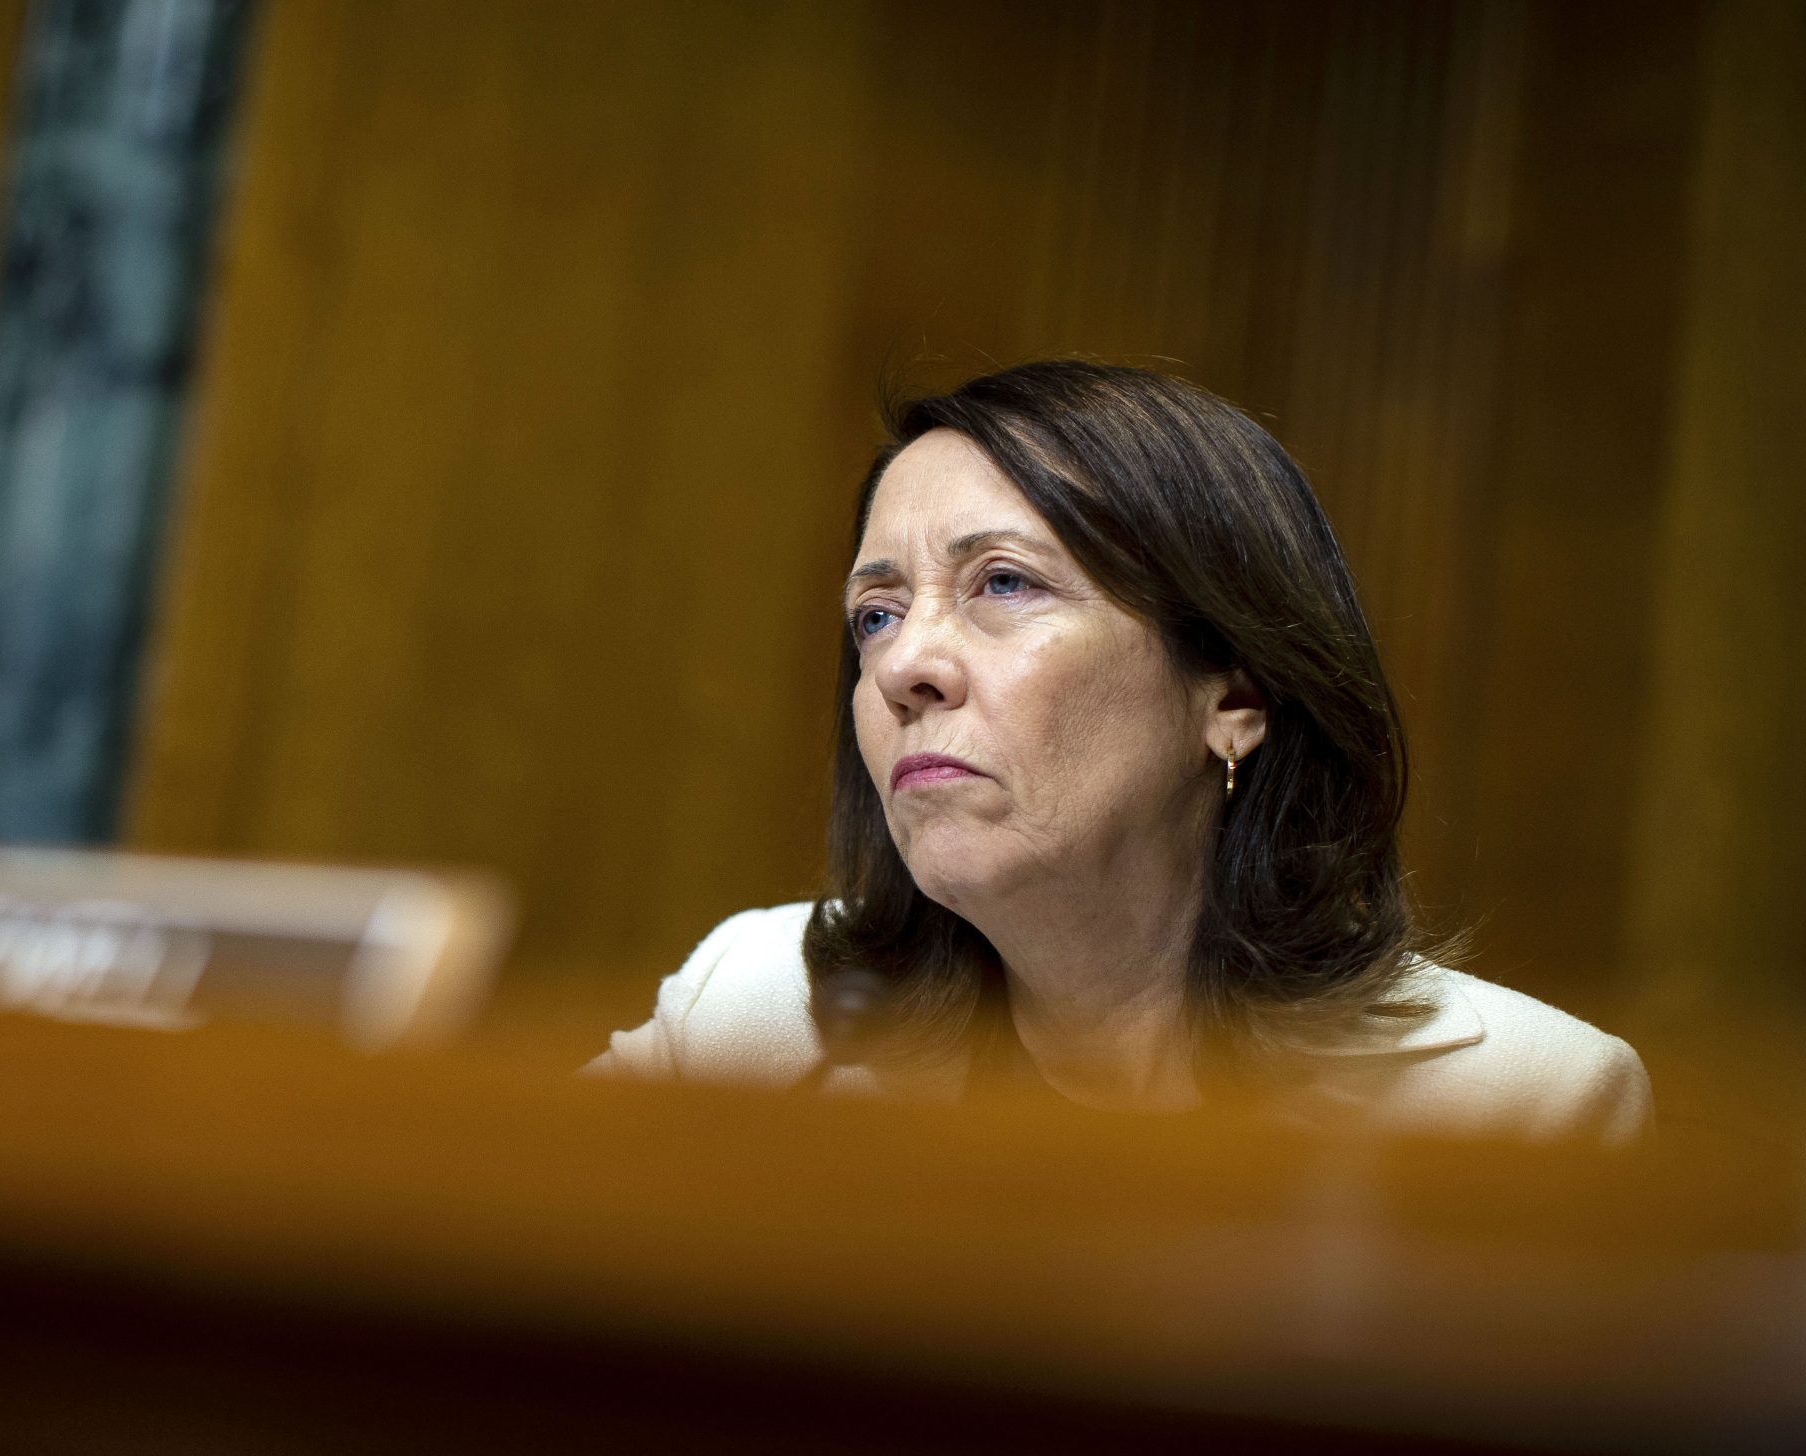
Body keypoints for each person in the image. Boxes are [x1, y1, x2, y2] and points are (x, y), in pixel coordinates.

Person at [589, 361, 1651, 1141]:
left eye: (1002, 583)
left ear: (1233, 689)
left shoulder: (1536, 1107)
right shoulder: (749, 1009)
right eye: (874, 614)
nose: (903, 665)